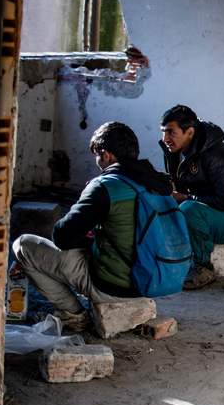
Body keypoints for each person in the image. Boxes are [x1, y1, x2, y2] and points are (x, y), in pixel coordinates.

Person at [10, 122, 174, 332]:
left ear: (106, 155)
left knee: (23, 246)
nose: (98, 162)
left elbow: (62, 237)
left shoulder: (104, 186)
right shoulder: (158, 182)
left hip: (114, 286)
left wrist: (85, 202)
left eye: (98, 156)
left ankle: (74, 315)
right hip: (155, 280)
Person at [159, 105, 224, 289]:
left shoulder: (218, 155)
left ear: (189, 132)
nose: (165, 139)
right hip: (201, 210)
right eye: (163, 132)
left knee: (189, 210)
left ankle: (202, 268)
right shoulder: (176, 150)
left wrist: (186, 198)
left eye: (171, 132)